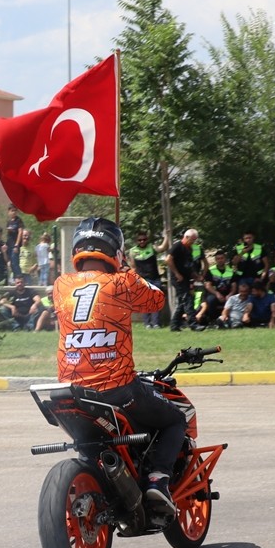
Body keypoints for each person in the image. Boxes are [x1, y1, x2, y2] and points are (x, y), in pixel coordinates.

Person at [53, 217, 185, 515]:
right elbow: (157, 301)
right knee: (174, 420)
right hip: (117, 389)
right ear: (116, 250)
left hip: (71, 393)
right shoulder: (123, 282)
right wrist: (129, 272)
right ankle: (157, 480)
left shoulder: (60, 285)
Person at [166, 228, 206, 332]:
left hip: (186, 278)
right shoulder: (178, 246)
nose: (193, 242)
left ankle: (174, 326)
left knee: (182, 302)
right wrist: (177, 274)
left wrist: (196, 275)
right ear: (186, 237)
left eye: (194, 240)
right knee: (188, 299)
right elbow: (168, 260)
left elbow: (188, 266)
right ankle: (193, 324)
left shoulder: (189, 249)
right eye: (192, 240)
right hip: (178, 279)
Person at [129, 230, 169, 328]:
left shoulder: (152, 247)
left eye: (144, 239)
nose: (142, 241)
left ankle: (156, 323)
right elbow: (133, 267)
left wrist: (166, 236)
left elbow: (163, 247)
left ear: (147, 240)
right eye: (140, 240)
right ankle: (147, 323)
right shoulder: (133, 251)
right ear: (136, 241)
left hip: (155, 278)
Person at [4, 204, 23, 279]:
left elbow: (20, 232)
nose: (14, 212)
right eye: (12, 211)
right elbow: (8, 235)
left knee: (15, 262)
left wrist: (16, 245)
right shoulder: (9, 222)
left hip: (15, 245)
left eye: (15, 211)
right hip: (9, 245)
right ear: (8, 212)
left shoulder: (18, 221)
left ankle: (19, 278)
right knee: (11, 264)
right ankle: (15, 279)